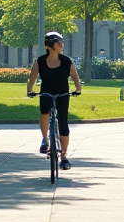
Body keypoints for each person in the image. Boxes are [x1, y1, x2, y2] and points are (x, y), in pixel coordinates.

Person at [26, 31, 83, 171]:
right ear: (51, 45)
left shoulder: (66, 61)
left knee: (63, 122)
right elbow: (32, 78)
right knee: (44, 111)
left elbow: (75, 76)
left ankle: (64, 157)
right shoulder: (40, 61)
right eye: (59, 43)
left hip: (63, 93)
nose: (62, 45)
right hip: (46, 91)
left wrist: (78, 89)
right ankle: (45, 139)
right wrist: (29, 90)